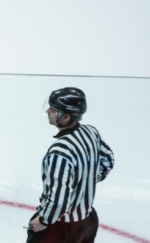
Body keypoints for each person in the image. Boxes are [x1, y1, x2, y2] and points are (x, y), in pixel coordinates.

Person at [27, 87, 115, 242]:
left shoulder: (59, 153)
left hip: (61, 228)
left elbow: (59, 198)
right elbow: (108, 158)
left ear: (66, 117)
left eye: (53, 110)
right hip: (88, 222)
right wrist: (88, 178)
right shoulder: (90, 132)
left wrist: (43, 220)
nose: (48, 111)